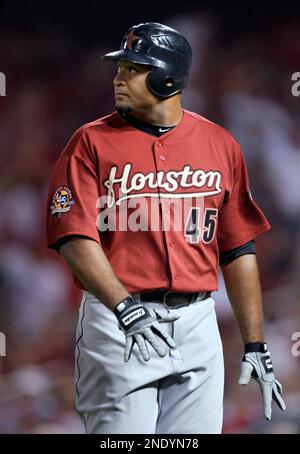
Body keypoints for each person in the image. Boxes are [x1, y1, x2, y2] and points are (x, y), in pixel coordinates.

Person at [46, 22, 286, 434]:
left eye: (133, 68)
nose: (118, 77)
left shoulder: (220, 144)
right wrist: (125, 309)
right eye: (119, 67)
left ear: (167, 76)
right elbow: (73, 235)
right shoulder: (90, 142)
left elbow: (237, 248)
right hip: (117, 320)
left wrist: (256, 343)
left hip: (198, 321)